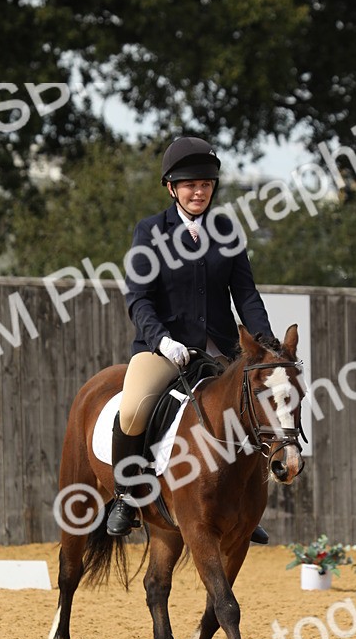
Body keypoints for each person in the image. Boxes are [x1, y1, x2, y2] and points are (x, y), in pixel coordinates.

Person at [107, 135, 278, 540]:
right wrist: (162, 339)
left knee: (254, 406)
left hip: (219, 348)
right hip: (165, 348)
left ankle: (244, 505)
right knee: (132, 409)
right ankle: (125, 496)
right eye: (189, 185)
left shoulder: (226, 231)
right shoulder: (150, 231)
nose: (198, 191)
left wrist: (265, 342)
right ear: (172, 188)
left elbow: (246, 295)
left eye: (205, 184)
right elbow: (138, 297)